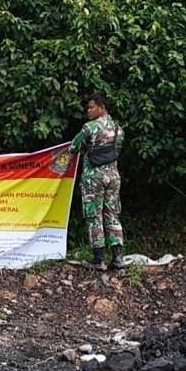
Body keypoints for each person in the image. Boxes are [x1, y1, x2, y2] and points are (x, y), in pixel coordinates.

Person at [69, 93, 125, 270]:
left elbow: (73, 147)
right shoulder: (118, 129)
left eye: (91, 107)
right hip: (113, 177)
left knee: (94, 216)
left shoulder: (90, 128)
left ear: (102, 108)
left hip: (94, 178)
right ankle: (118, 258)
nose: (88, 110)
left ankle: (98, 259)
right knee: (112, 215)